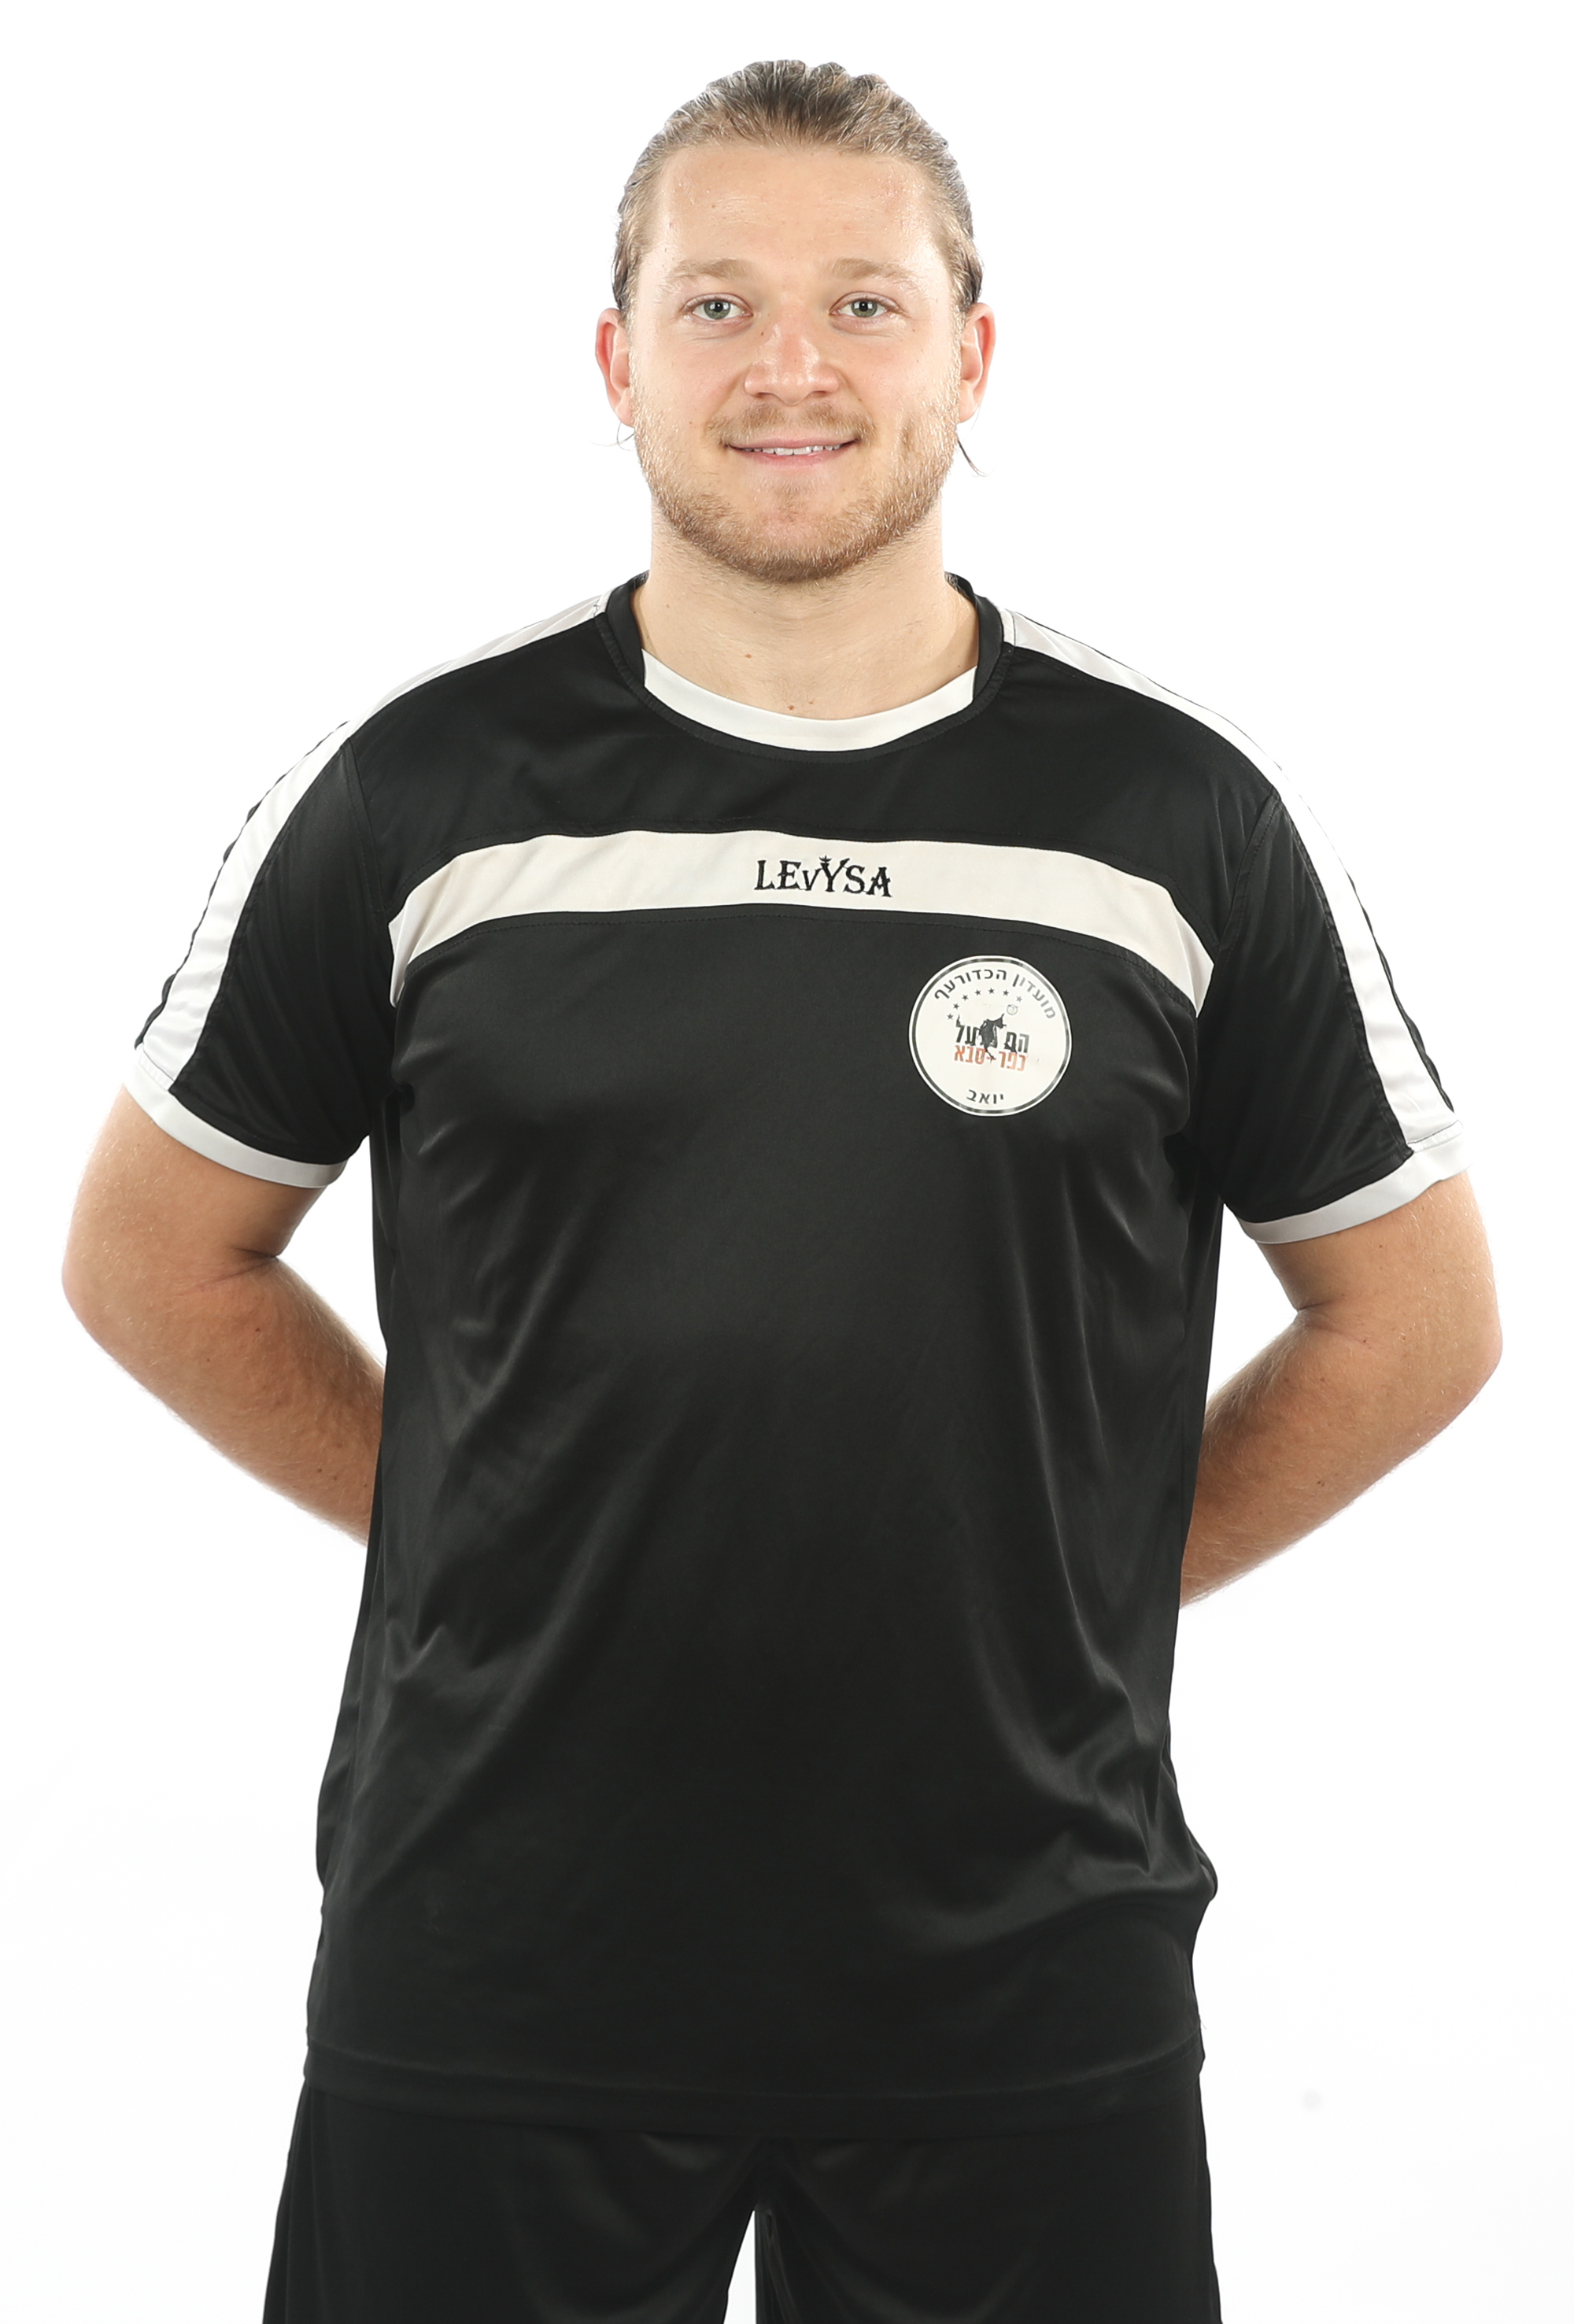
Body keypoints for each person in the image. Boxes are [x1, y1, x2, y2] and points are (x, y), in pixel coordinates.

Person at [62, 57, 1501, 2324]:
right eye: (717, 303)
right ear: (616, 357)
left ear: (973, 353)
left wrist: (1074, 1582)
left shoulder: (1177, 820)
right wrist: (482, 1529)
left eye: (866, 302)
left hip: (1024, 1965)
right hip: (499, 1947)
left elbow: (1418, 1318)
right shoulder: (421, 795)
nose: (792, 365)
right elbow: (152, 1256)